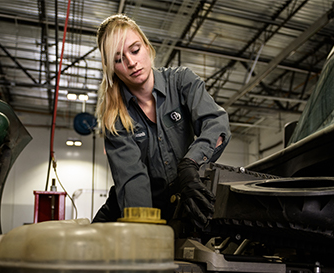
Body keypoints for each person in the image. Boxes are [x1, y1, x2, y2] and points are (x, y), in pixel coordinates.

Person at [92, 14, 231, 225]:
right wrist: (144, 229)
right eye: (119, 59)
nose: (131, 62)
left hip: (185, 198)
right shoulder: (115, 118)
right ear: (111, 67)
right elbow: (133, 181)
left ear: (147, 47)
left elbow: (216, 124)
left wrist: (190, 165)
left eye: (135, 50)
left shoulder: (182, 81)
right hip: (136, 208)